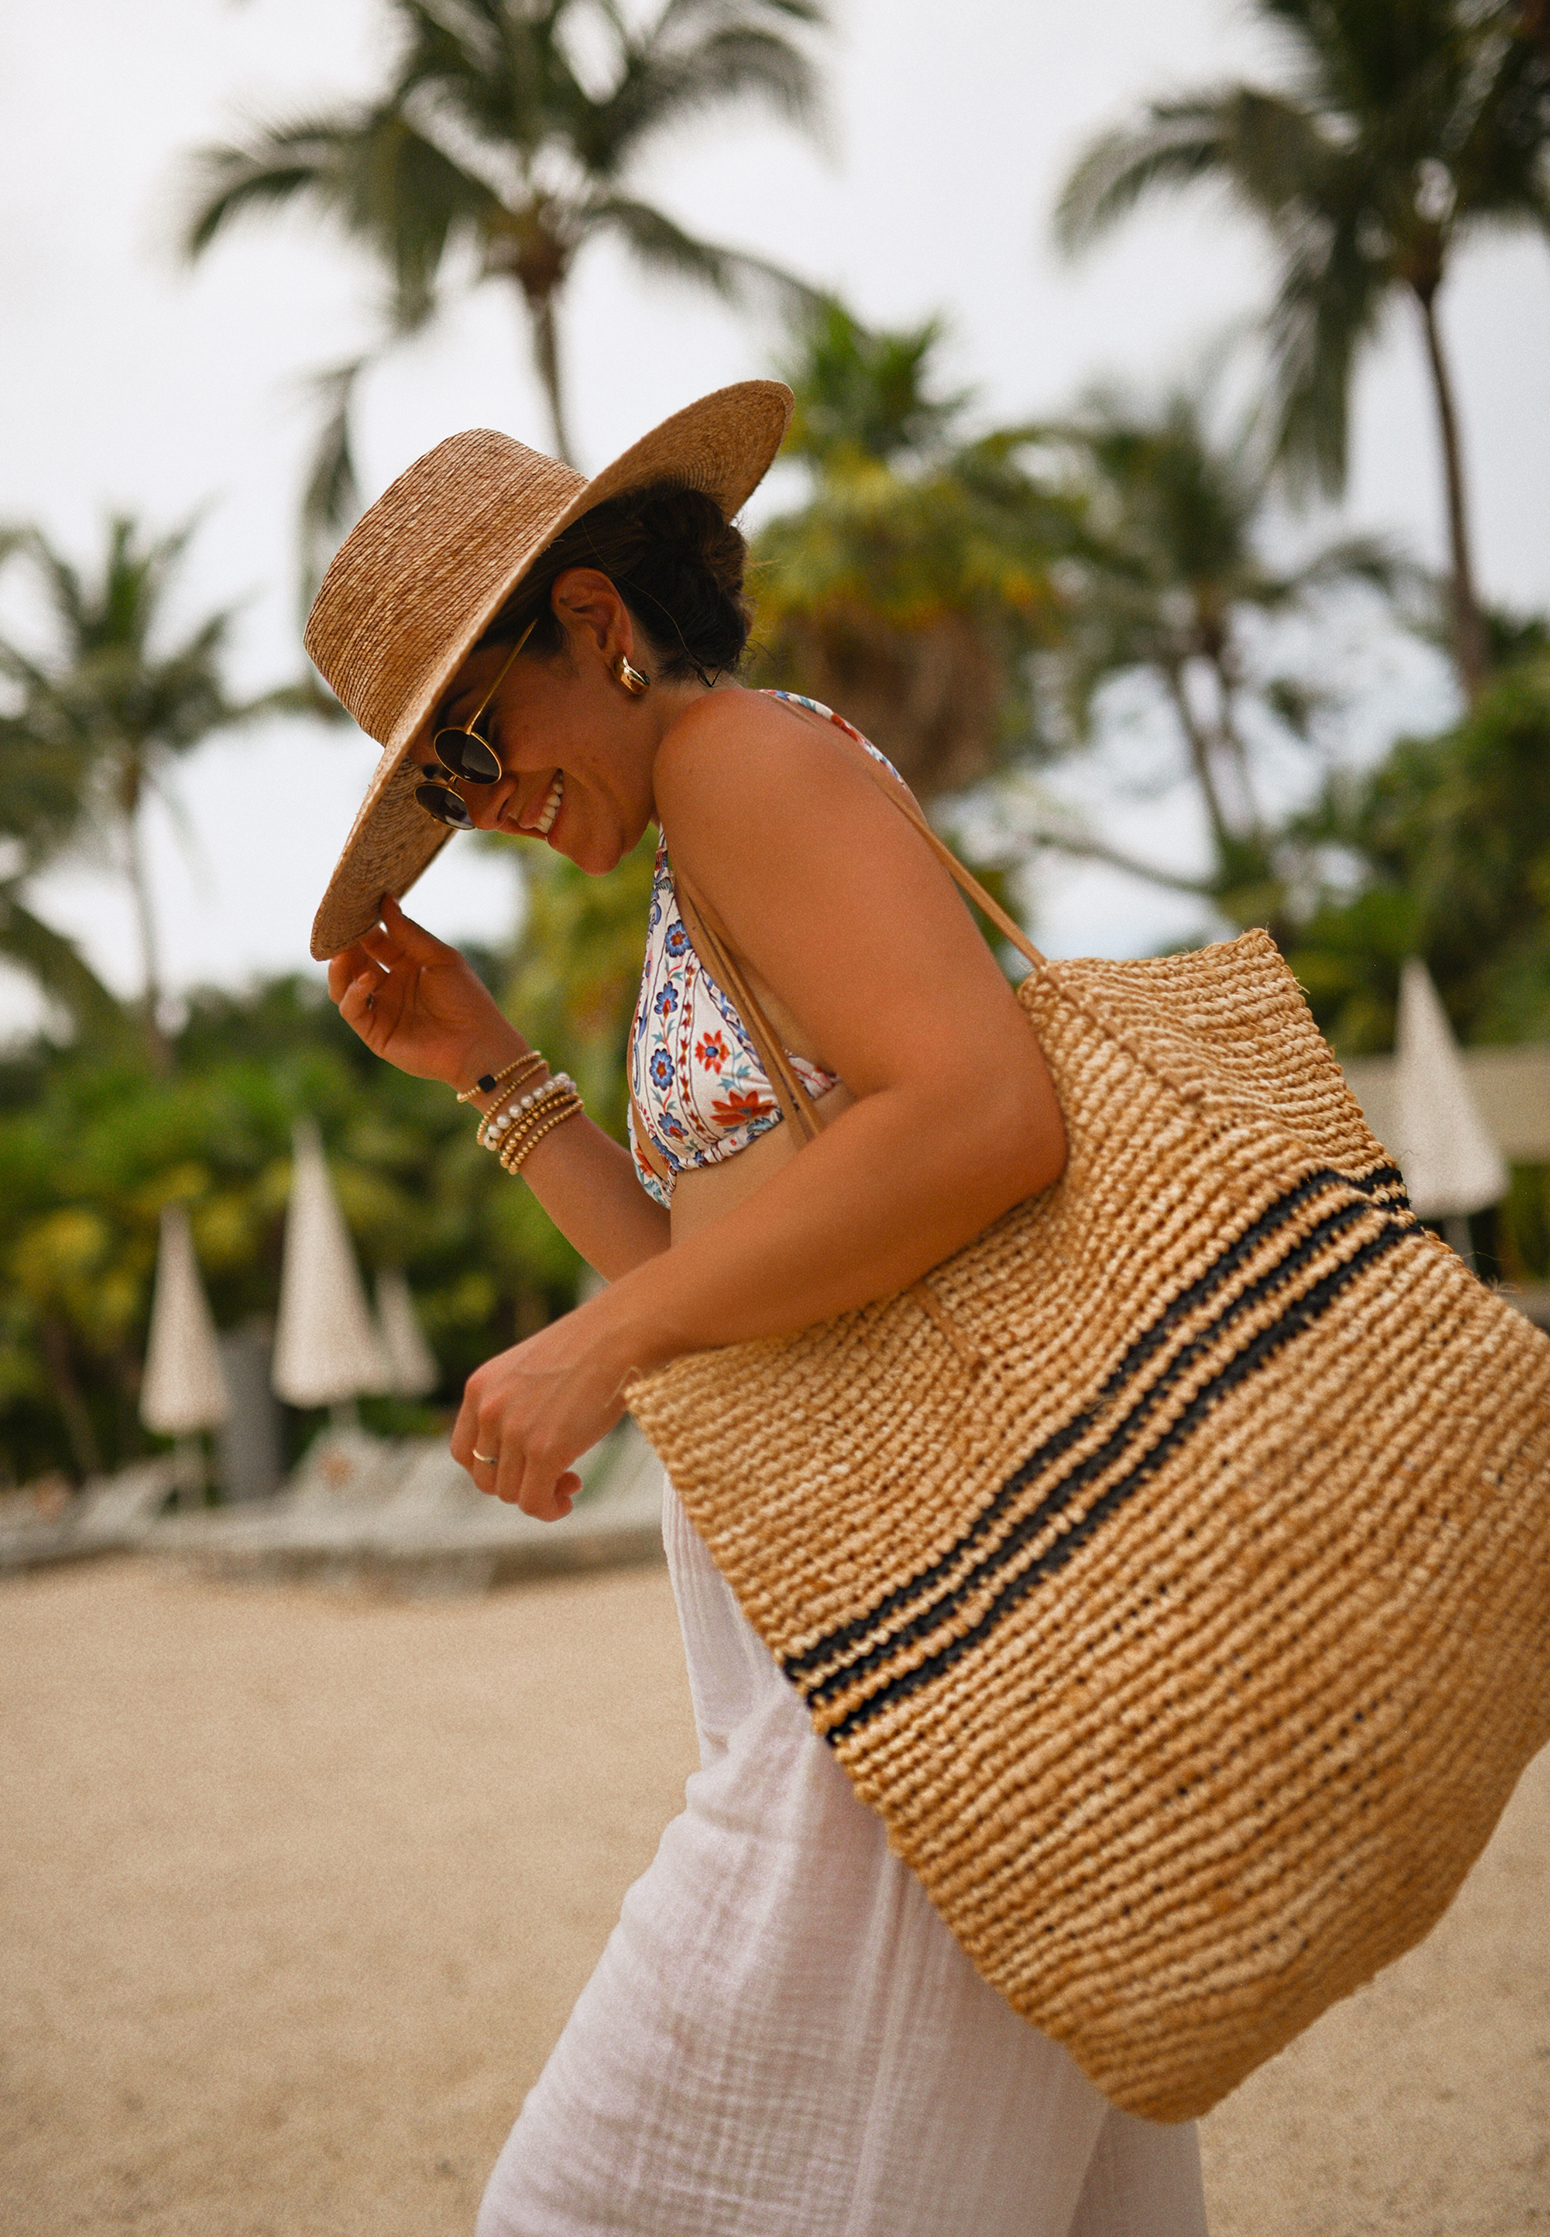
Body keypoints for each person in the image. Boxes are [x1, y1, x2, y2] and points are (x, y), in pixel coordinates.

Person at [306, 383, 1208, 2236]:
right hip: (871, 1616)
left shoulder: (743, 766)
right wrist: (494, 1072)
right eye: (444, 789)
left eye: (475, 743)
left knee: (578, 2208)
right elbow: (727, 1283)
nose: (482, 807)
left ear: (594, 619)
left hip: (912, 1627)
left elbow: (982, 1112)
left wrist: (594, 1347)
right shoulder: (694, 836)